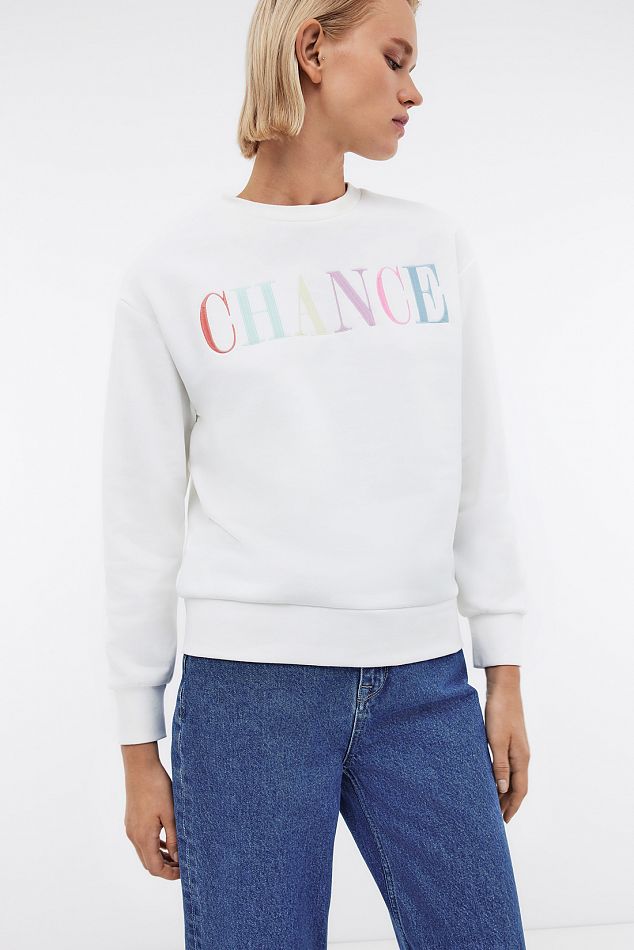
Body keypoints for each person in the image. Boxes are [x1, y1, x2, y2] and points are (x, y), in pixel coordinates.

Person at [101, 0, 531, 947]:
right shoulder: (173, 271)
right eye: (396, 57)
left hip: (425, 686)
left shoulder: (435, 248)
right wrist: (139, 746)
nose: (414, 91)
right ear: (312, 51)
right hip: (247, 701)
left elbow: (480, 468)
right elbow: (139, 524)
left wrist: (501, 668)